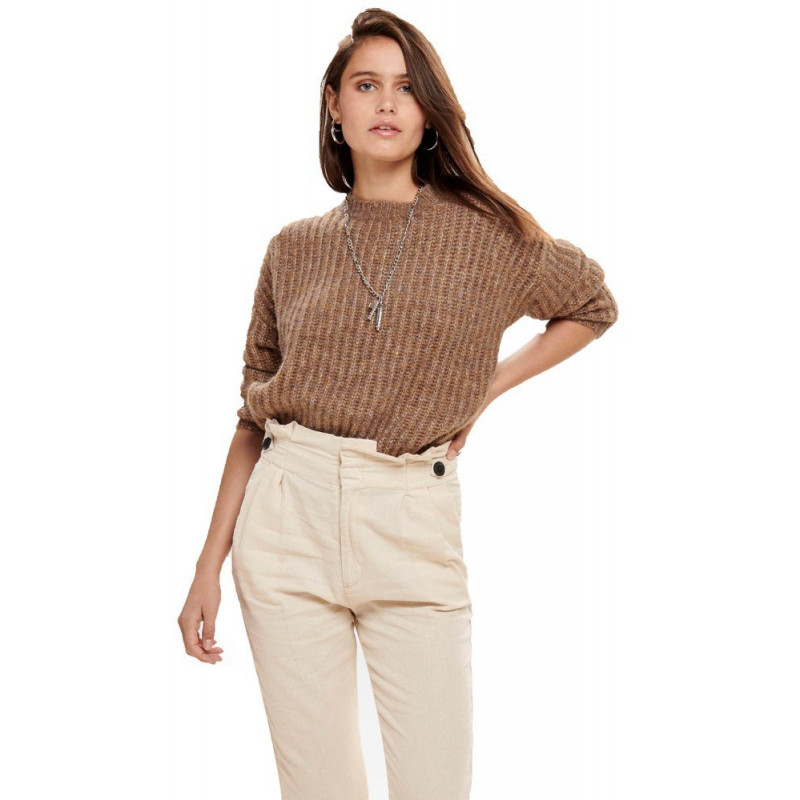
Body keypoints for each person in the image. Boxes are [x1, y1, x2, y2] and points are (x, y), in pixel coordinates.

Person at [178, 9, 619, 800]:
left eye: (408, 88)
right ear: (333, 105)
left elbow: (591, 304)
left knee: (435, 785)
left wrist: (486, 387)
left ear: (430, 111)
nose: (387, 102)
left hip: (412, 517)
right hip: (286, 521)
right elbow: (253, 415)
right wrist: (207, 565)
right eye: (366, 84)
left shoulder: (488, 237)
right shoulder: (293, 247)